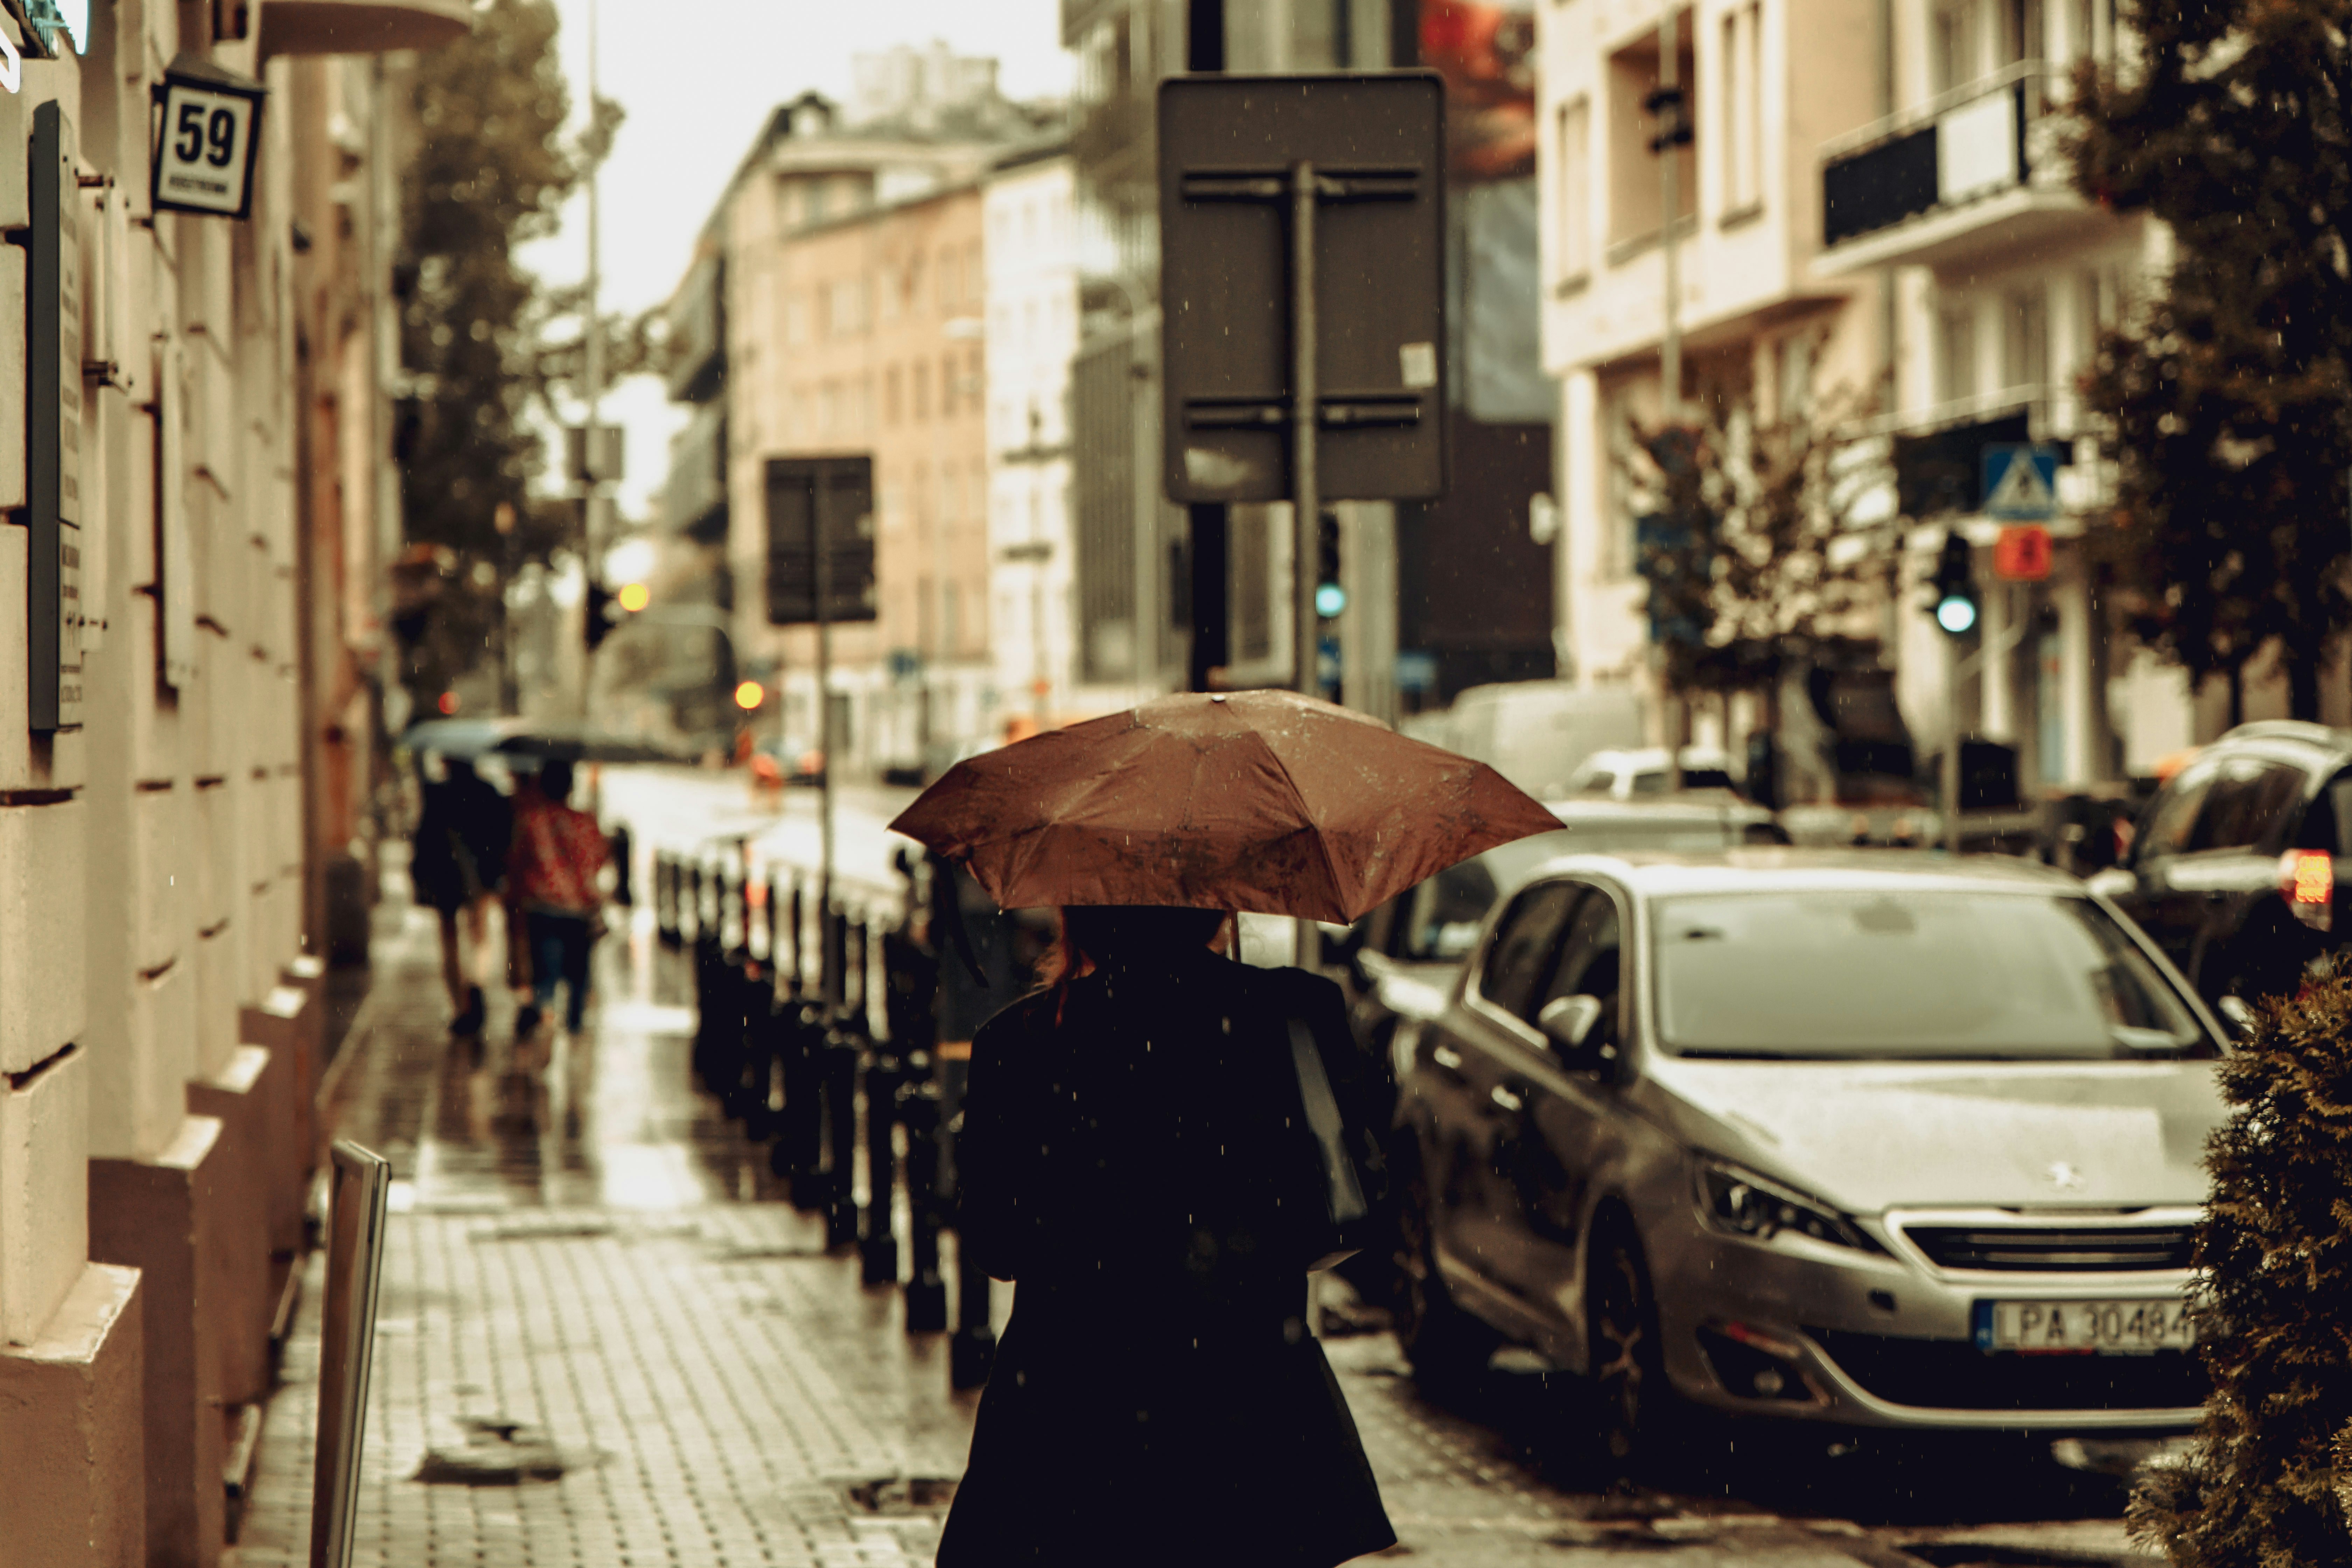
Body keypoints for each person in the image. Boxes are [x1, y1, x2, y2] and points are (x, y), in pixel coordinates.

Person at [936, 905, 1397, 1568]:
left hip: (1068, 1419)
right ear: (1215, 906)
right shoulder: (1289, 1015)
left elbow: (996, 1245)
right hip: (1247, 1412)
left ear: (1082, 915)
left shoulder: (1023, 1040)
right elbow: (1348, 1206)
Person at [505, 760, 609, 1043]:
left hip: (542, 908)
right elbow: (599, 859)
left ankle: (544, 1028)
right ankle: (574, 1033)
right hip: (580, 909)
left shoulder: (532, 820)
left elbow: (517, 864)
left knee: (546, 974)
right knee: (579, 976)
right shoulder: (585, 822)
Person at [410, 754, 512, 1036]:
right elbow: (502, 836)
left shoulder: (438, 793)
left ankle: (459, 1005)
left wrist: (420, 877)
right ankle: (476, 987)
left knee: (450, 940)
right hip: (480, 878)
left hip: (445, 878)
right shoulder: (489, 792)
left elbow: (424, 838)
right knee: (480, 935)